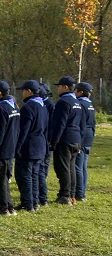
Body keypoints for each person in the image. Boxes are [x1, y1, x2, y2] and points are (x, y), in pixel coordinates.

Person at [14, 80, 48, 212]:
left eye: (23, 90)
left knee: (26, 175)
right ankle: (35, 201)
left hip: (29, 146)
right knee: (35, 174)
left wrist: (18, 147)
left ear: (29, 91)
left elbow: (24, 130)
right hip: (40, 144)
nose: (22, 93)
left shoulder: (28, 107)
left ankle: (28, 203)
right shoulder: (43, 106)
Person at [49, 76, 83, 205]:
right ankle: (72, 195)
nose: (57, 88)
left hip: (65, 139)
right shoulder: (77, 102)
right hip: (76, 138)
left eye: (59, 86)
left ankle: (64, 195)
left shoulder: (63, 102)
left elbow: (60, 124)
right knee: (71, 168)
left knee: (62, 168)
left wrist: (54, 141)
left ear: (66, 87)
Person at [0, 81, 20, 216]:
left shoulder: (1, 109)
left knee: (0, 180)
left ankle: (2, 207)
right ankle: (10, 206)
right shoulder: (14, 107)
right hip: (11, 148)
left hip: (2, 150)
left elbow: (0, 132)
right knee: (5, 179)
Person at [74, 82, 96, 202]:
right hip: (89, 138)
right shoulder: (90, 104)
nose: (74, 93)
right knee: (83, 167)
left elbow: (81, 123)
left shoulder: (80, 104)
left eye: (76, 90)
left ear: (80, 92)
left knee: (78, 166)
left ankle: (79, 193)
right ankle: (82, 191)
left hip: (82, 138)